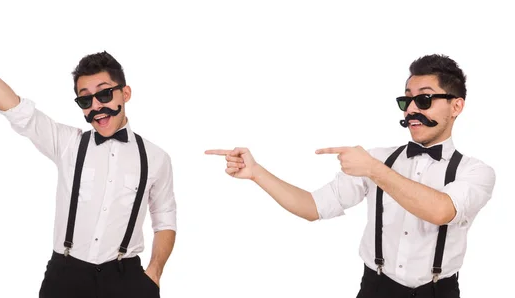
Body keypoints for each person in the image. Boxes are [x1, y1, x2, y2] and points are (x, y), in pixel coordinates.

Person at [205, 54, 496, 298]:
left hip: (439, 292)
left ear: (456, 105)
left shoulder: (475, 172)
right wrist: (257, 173)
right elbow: (313, 207)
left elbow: (441, 210)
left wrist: (374, 170)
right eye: (406, 101)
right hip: (376, 289)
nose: (411, 110)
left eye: (425, 99)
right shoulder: (378, 158)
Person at [0, 14, 176, 298]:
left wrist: (154, 274)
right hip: (66, 276)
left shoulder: (157, 158)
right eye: (86, 99)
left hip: (127, 279)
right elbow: (16, 110)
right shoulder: (68, 143)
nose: (96, 106)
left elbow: (165, 218)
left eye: (105, 94)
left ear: (126, 93)